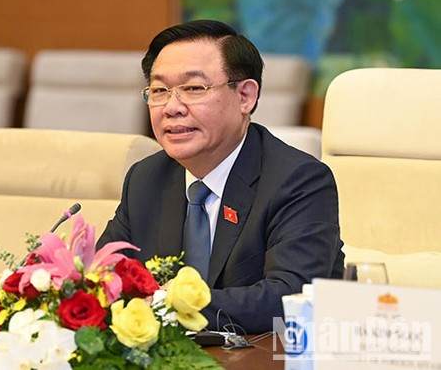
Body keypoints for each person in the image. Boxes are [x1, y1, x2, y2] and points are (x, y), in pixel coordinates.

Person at [96, 20, 344, 333]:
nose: (171, 107)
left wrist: (164, 304)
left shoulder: (299, 181)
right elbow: (103, 276)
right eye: (159, 91)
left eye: (193, 88)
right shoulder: (146, 178)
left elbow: (290, 298)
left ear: (245, 96)